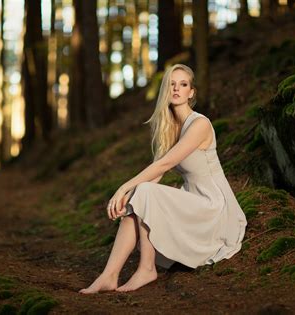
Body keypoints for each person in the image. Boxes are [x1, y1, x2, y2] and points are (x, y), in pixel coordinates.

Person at [78, 64, 247, 294]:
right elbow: (155, 176)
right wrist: (130, 202)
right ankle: (109, 275)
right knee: (141, 196)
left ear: (192, 92)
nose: (177, 89)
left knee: (143, 191)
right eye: (172, 84)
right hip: (193, 202)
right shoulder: (170, 129)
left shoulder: (200, 124)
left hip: (214, 208)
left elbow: (165, 164)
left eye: (183, 84)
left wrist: (123, 187)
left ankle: (147, 269)